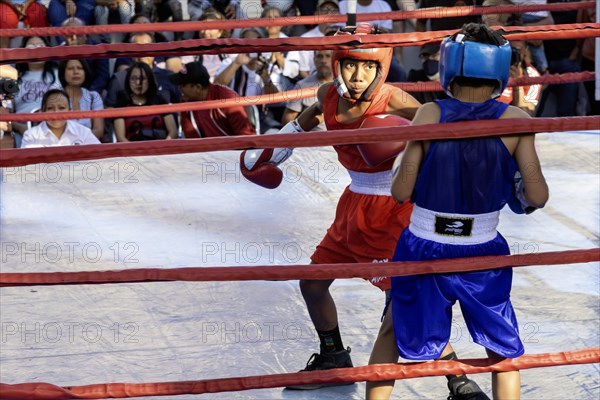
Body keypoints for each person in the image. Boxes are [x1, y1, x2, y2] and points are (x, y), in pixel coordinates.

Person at [240, 24, 485, 398]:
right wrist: (268, 153)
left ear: (381, 69)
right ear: (338, 64)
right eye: (352, 66)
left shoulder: (398, 102)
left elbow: (441, 136)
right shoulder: (327, 96)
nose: (359, 76)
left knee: (403, 304)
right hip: (353, 206)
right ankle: (334, 356)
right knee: (313, 283)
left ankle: (459, 381)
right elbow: (299, 128)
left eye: (368, 68)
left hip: (396, 210)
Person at [366, 23, 549, 400]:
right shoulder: (516, 121)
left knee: (392, 329)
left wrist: (405, 160)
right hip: (481, 250)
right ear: (500, 69)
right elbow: (538, 194)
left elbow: (400, 191)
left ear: (449, 66)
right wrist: (512, 181)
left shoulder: (429, 114)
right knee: (502, 345)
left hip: (423, 245)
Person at [168, 61, 256, 138]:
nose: (179, 89)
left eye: (182, 85)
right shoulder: (185, 101)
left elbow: (246, 137)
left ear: (198, 87)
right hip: (206, 154)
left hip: (234, 154)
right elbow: (191, 138)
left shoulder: (226, 98)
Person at [113, 62, 178, 142]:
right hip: (133, 151)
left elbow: (173, 132)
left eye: (142, 78)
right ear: (128, 80)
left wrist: (161, 148)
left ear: (150, 79)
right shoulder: (121, 102)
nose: (138, 83)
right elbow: (120, 138)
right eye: (133, 78)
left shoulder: (159, 99)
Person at [21, 89, 101, 147]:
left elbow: (99, 156)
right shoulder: (31, 135)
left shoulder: (83, 132)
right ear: (42, 112)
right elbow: (28, 165)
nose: (56, 113)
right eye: (50, 108)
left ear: (70, 111)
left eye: (62, 108)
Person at [281, 49, 333, 131]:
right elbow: (288, 119)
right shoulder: (302, 85)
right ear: (314, 60)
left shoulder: (345, 83)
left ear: (334, 58)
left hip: (340, 138)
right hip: (312, 140)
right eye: (319, 56)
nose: (323, 61)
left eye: (328, 56)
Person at [57, 59, 105, 140]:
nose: (76, 72)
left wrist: (78, 141)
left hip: (88, 145)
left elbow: (99, 131)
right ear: (63, 73)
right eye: (70, 68)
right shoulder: (55, 97)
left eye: (80, 68)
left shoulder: (94, 96)